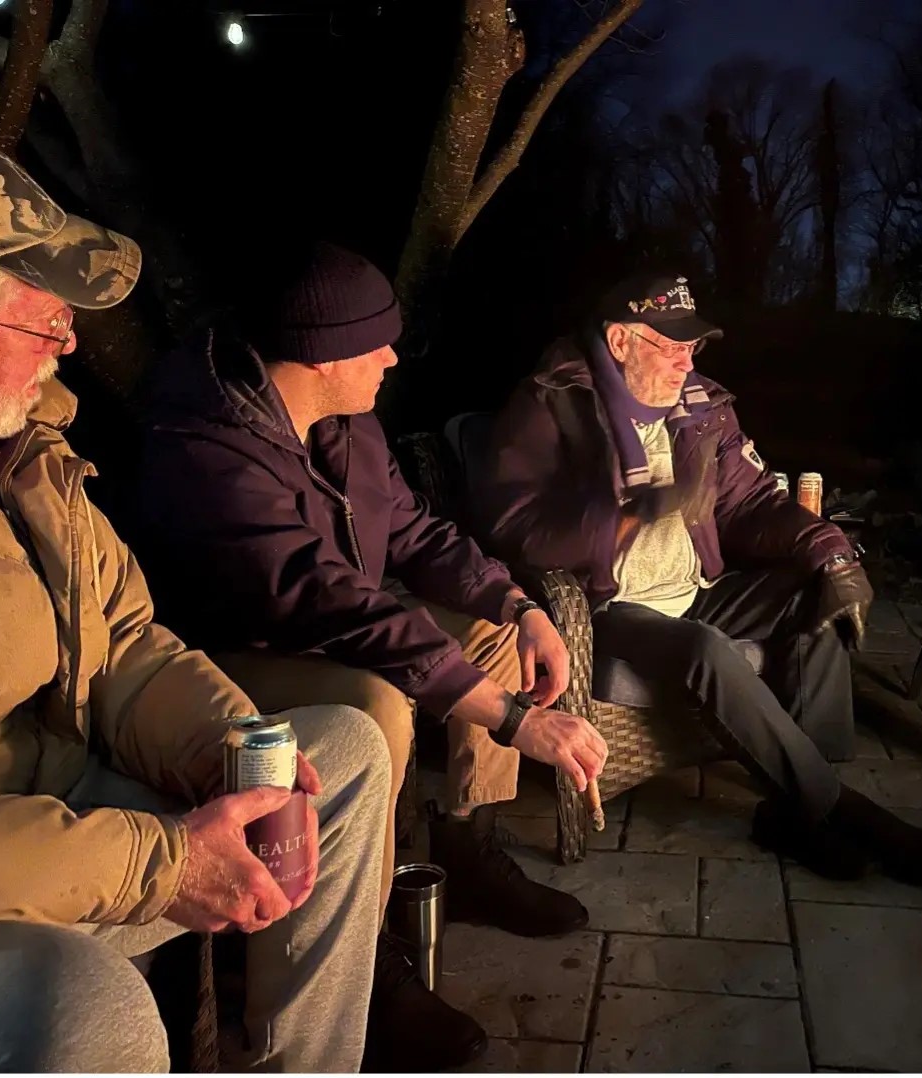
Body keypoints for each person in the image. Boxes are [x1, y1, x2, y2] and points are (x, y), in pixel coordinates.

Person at [0, 114, 389, 1072]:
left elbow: (127, 646)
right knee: (82, 1004)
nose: (68, 341)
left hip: (85, 815)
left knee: (336, 754)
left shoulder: (23, 456)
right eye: (40, 317)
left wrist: (235, 754)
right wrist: (159, 863)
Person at [127, 240, 609, 1070]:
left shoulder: (346, 423)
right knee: (377, 702)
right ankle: (368, 947)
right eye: (376, 344)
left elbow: (412, 530)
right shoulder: (206, 448)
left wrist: (516, 602)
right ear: (321, 356)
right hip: (223, 656)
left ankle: (467, 840)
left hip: (329, 624)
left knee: (489, 634)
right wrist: (514, 720)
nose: (391, 358)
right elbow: (329, 599)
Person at [476, 271, 922, 886]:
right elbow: (513, 528)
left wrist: (833, 555)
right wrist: (623, 517)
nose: (687, 363)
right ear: (620, 341)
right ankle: (846, 811)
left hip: (696, 591)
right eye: (671, 346)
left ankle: (797, 812)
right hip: (608, 607)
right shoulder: (552, 404)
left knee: (814, 594)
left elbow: (753, 502)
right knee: (706, 649)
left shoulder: (702, 408)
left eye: (692, 347)